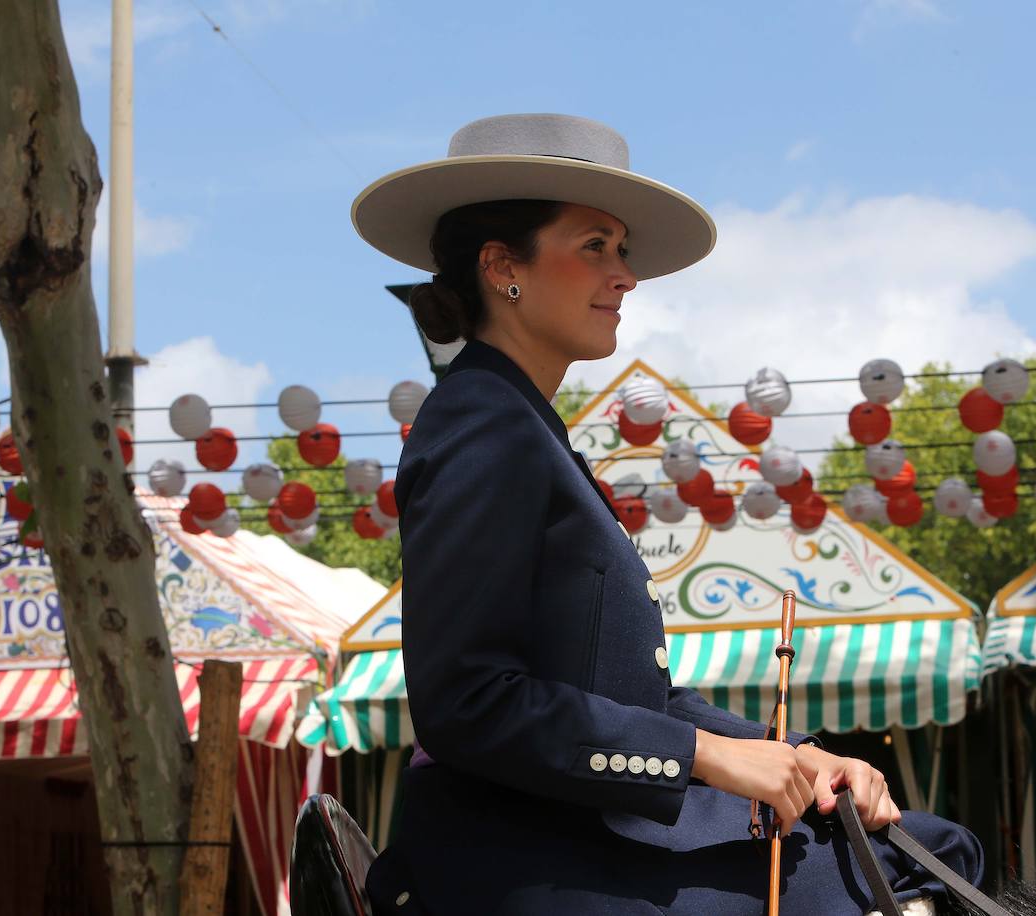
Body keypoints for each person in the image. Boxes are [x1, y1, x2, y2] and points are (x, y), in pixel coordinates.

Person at [352, 113, 981, 915]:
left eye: (622, 251)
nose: (625, 276)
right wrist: (702, 757)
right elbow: (466, 703)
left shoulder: (523, 425)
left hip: (575, 837)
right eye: (594, 247)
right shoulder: (485, 421)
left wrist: (794, 756)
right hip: (521, 861)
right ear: (502, 265)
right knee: (890, 876)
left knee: (926, 846)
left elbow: (625, 694)